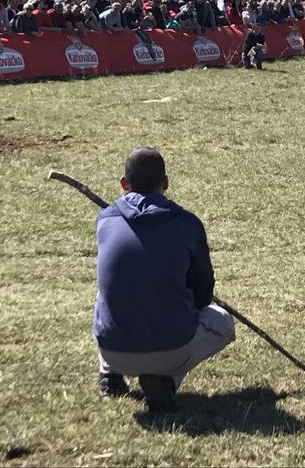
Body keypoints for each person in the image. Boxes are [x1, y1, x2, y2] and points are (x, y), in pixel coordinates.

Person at [95, 148, 235, 412]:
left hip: (113, 346)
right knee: (224, 324)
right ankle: (165, 380)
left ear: (124, 184)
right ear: (166, 182)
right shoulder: (188, 224)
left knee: (110, 292)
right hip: (171, 348)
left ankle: (109, 372)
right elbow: (203, 295)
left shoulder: (105, 219)